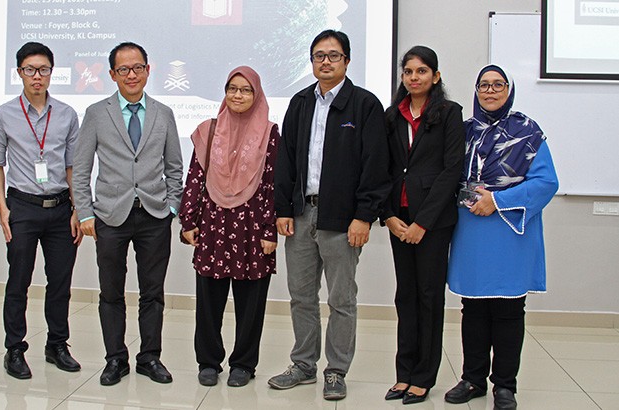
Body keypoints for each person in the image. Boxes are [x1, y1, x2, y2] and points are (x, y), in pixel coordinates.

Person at [270, 29, 391, 400]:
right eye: (319, 55)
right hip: (302, 214)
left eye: (333, 55)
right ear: (312, 62)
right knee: (301, 296)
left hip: (343, 219)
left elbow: (376, 165)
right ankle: (304, 364)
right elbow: (285, 159)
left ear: (347, 61)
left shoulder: (365, 105)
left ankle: (336, 370)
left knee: (342, 299)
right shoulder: (301, 102)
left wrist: (364, 216)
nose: (326, 61)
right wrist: (283, 209)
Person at [444, 65, 559, 410]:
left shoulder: (528, 132)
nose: (490, 91)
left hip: (510, 233)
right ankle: (473, 379)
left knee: (509, 311)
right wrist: (470, 198)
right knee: (473, 309)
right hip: (471, 233)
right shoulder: (462, 133)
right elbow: (446, 175)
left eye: (498, 85)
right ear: (476, 91)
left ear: (509, 90)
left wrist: (497, 201)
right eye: (484, 85)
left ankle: (505, 386)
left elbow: (545, 183)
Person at [73, 42, 184, 386]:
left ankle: (150, 357)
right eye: (124, 70)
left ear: (148, 70)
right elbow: (81, 169)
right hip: (110, 216)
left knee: (153, 293)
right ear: (112, 75)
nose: (131, 75)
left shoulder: (163, 113)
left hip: (153, 215)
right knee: (111, 292)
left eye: (137, 68)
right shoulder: (96, 113)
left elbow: (175, 168)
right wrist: (85, 213)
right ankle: (115, 359)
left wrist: (172, 208)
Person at [0, 42, 83, 379]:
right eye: (30, 70)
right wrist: (2, 209)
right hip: (22, 207)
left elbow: (73, 167)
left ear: (51, 73)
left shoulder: (68, 114)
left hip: (60, 209)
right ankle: (14, 349)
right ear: (19, 73)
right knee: (19, 281)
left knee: (60, 281)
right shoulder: (2, 115)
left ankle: (57, 344)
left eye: (43, 69)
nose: (37, 76)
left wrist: (77, 209)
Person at [179, 66, 279, 388]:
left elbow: (272, 184)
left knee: (251, 302)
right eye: (232, 89)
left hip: (252, 225)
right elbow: (195, 177)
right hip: (212, 224)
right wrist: (188, 220)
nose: (238, 95)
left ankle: (243, 364)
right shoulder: (208, 130)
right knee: (209, 300)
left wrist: (269, 230)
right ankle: (208, 361)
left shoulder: (271, 133)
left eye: (246, 90)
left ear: (257, 94)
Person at [380, 46, 464, 405]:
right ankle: (404, 372)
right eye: (408, 72)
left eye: (422, 71)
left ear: (436, 76)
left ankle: (423, 377)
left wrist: (423, 223)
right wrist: (388, 216)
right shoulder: (391, 115)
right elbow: (380, 168)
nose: (414, 78)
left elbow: (451, 172)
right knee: (405, 296)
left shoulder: (448, 113)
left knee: (429, 297)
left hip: (433, 221)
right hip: (399, 219)